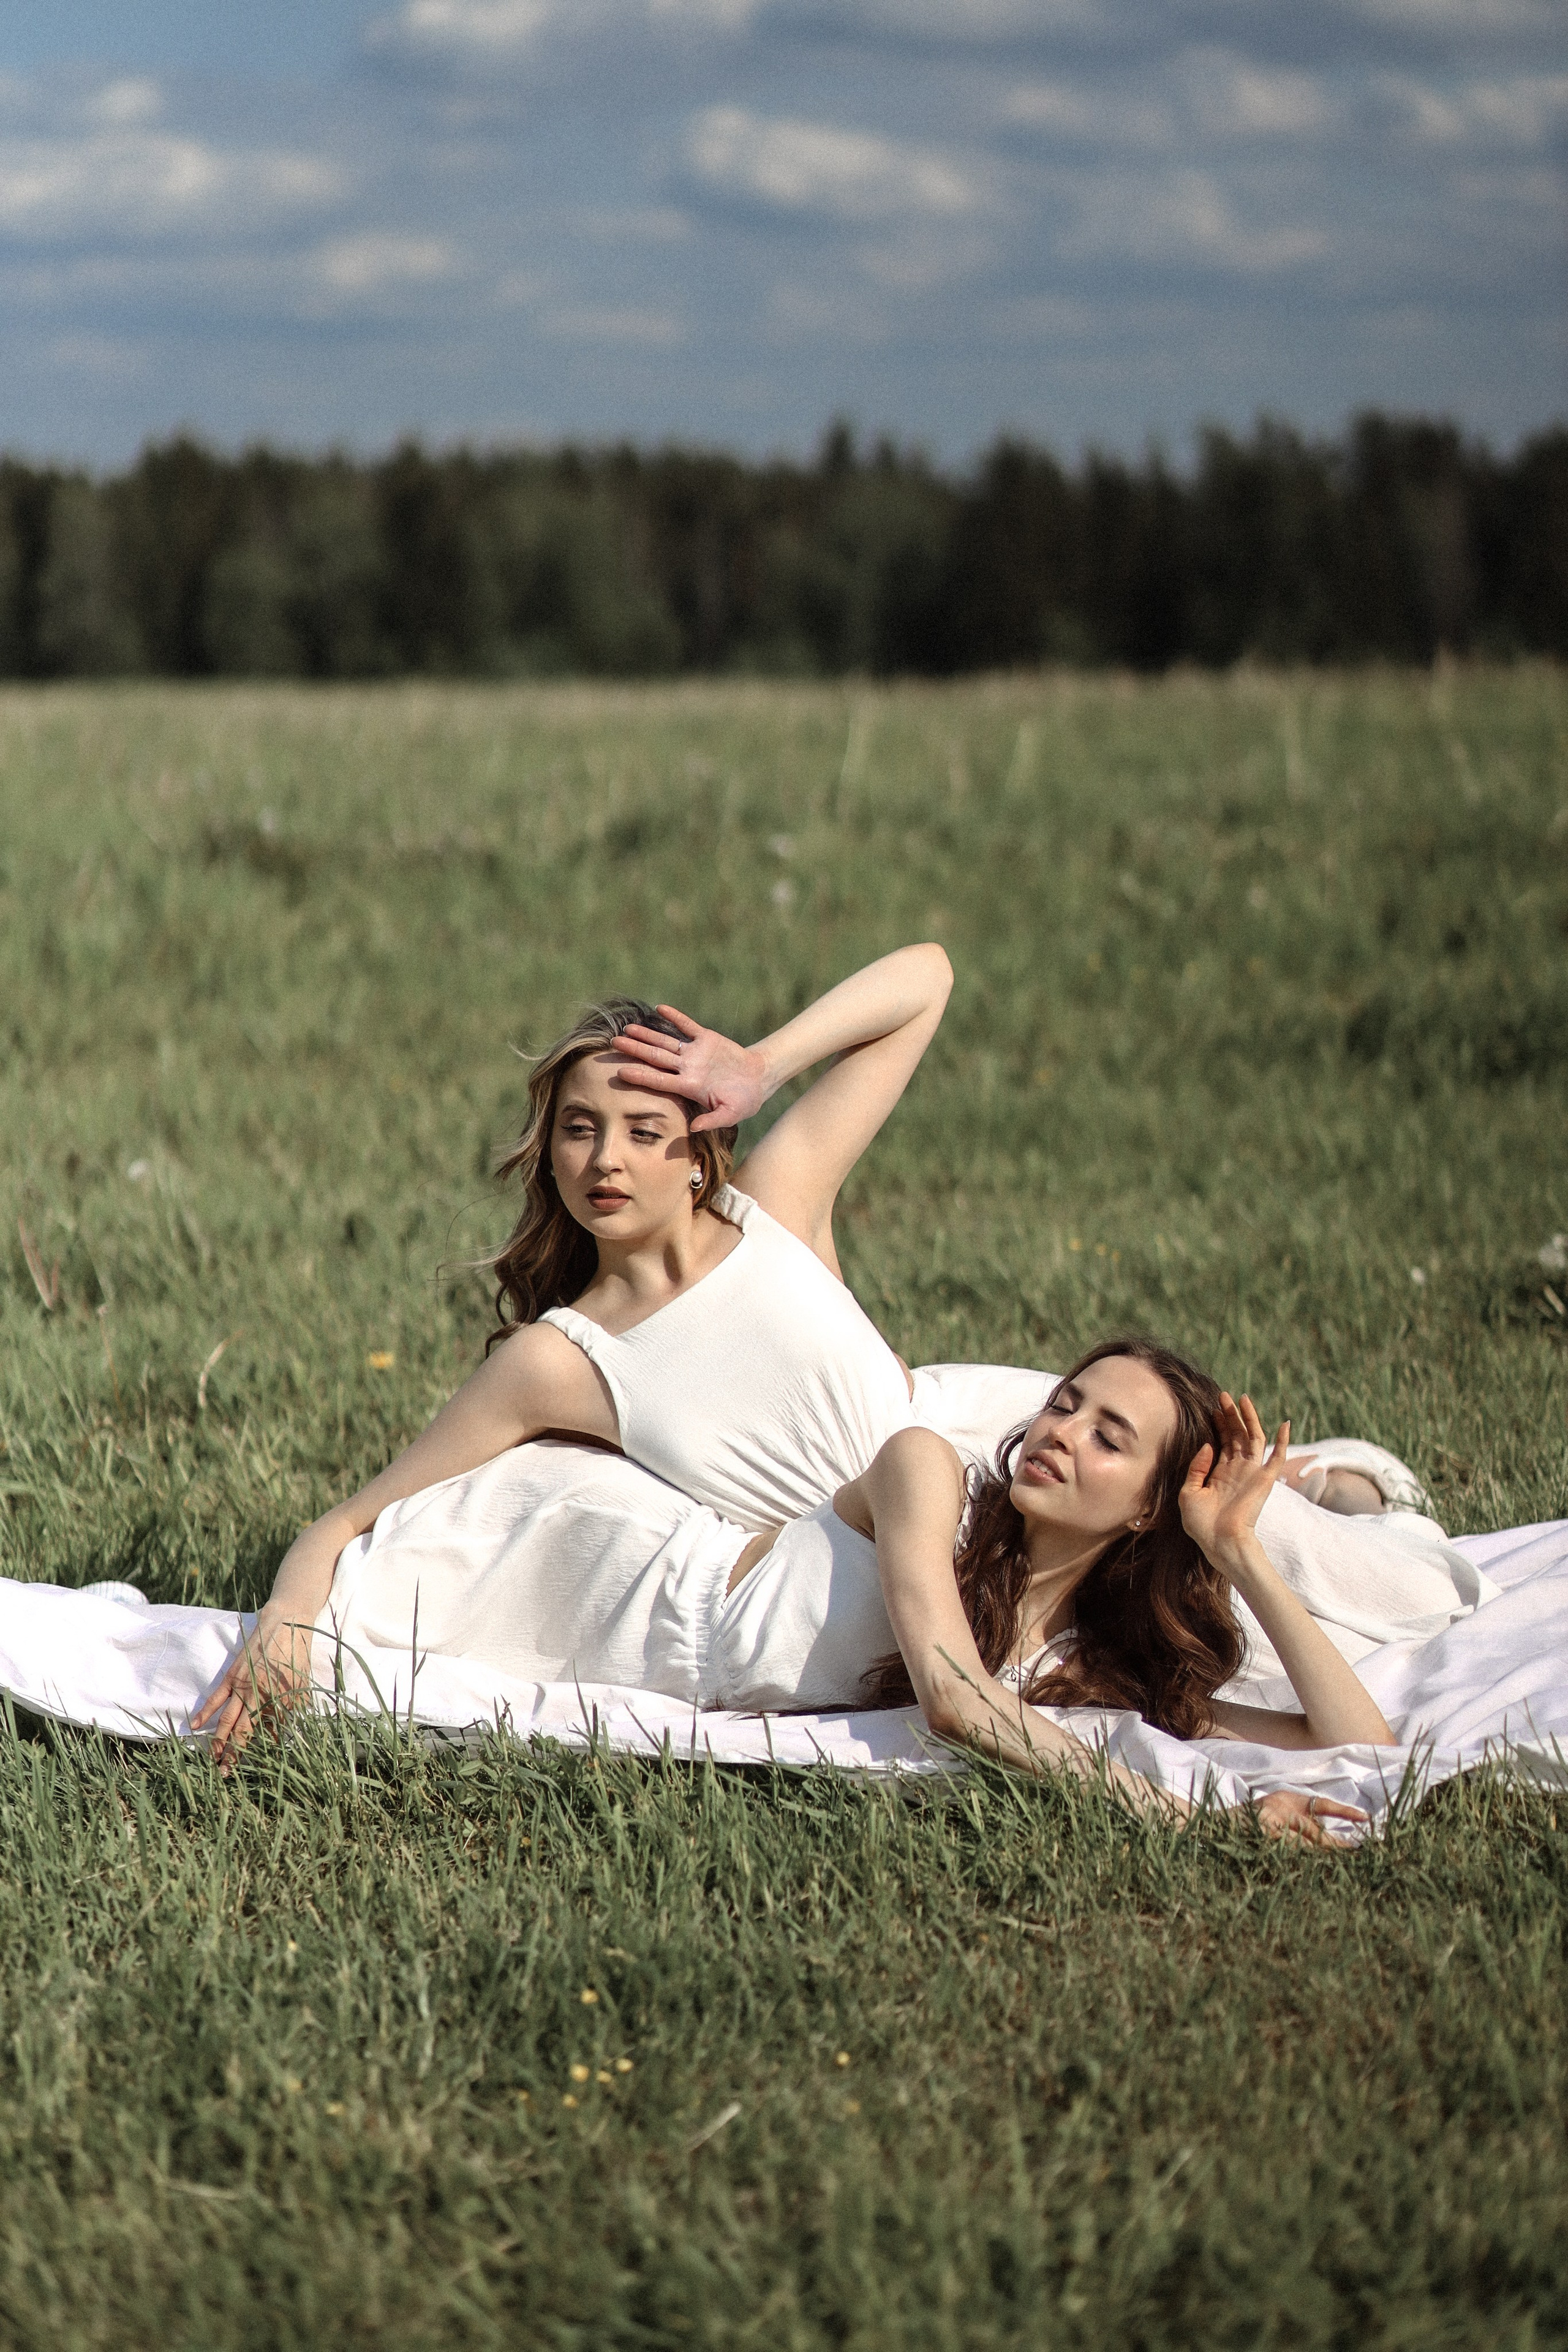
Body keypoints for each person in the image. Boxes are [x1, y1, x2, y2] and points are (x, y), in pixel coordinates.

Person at [194, 944, 952, 1755]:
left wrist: (762, 1067)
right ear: (549, 1156)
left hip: (985, 1481)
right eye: (579, 1130)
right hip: (868, 1596)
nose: (605, 1160)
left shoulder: (776, 1207)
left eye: (645, 1130)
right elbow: (350, 1521)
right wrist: (284, 1615)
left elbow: (928, 977)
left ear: (698, 1153)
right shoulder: (559, 1359)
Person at [181, 1334, 1372, 1844]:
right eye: (1064, 1401)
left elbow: (1353, 1742)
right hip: (571, 1557)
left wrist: (1233, 1552)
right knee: (332, 1608)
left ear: (1145, 1508)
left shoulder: (1079, 1653)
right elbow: (955, 1703)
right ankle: (299, 1587)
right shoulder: (925, 1474)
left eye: (1110, 1437)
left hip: (628, 1646)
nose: (1060, 1430)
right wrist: (1205, 1823)